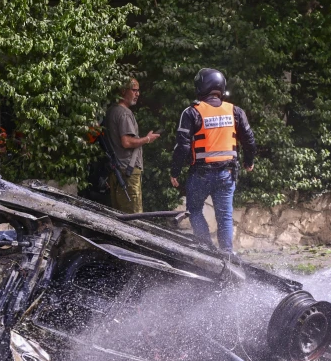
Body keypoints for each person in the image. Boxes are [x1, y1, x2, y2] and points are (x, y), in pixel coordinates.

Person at [170, 68, 256, 253]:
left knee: (194, 209)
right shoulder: (235, 111)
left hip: (201, 174)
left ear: (200, 87)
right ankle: (227, 254)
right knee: (224, 216)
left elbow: (183, 146)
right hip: (227, 173)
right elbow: (249, 140)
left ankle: (206, 249)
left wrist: (175, 171)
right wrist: (249, 162)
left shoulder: (191, 112)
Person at [102, 78, 160, 214]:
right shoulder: (124, 113)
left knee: (119, 215)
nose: (138, 94)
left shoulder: (112, 111)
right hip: (128, 171)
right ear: (123, 91)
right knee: (134, 217)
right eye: (134, 90)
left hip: (117, 171)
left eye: (138, 90)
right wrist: (147, 139)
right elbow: (126, 142)